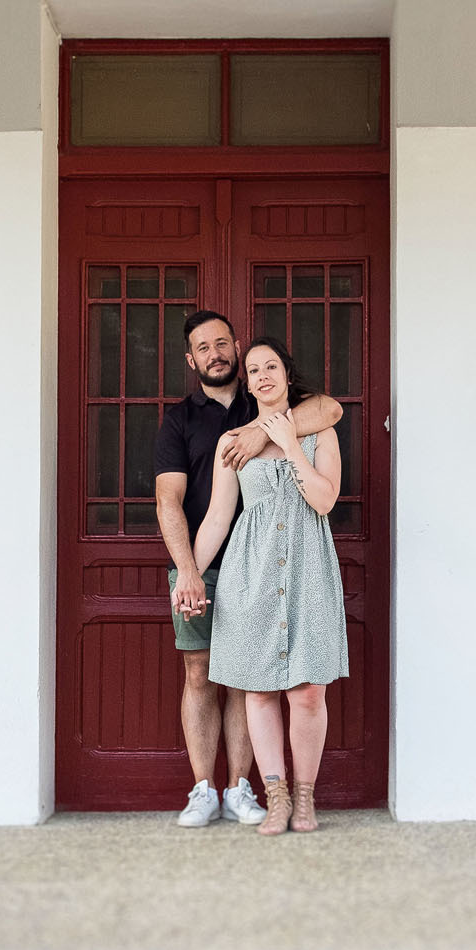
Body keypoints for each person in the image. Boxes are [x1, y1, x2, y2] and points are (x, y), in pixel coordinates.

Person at [155, 312, 342, 828]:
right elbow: (216, 515)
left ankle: (296, 796)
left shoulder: (315, 423)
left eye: (270, 366)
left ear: (285, 373)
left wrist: (279, 440)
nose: (261, 375)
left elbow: (326, 490)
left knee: (306, 689)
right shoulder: (210, 432)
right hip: (247, 566)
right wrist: (187, 574)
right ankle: (262, 796)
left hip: (306, 565)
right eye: (254, 368)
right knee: (250, 685)